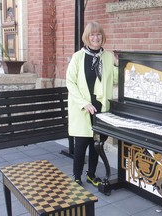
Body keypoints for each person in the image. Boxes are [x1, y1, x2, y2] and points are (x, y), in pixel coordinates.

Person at [66, 21, 118, 186]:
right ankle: (76, 176)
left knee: (97, 144)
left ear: (103, 37)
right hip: (83, 108)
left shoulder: (108, 57)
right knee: (81, 145)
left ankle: (91, 174)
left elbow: (116, 79)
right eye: (92, 35)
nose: (96, 38)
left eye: (98, 34)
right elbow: (70, 82)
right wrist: (84, 103)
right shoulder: (78, 57)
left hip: (101, 108)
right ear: (86, 38)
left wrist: (118, 64)